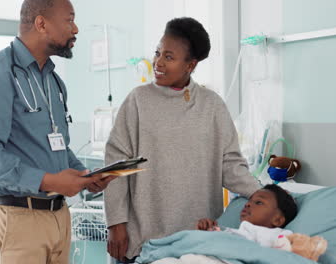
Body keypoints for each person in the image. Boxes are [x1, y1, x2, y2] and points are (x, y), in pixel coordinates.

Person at [0, 0, 116, 263]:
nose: (76, 29)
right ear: (41, 24)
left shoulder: (53, 81)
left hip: (58, 216)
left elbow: (57, 147)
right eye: (69, 20)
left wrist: (85, 175)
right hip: (16, 219)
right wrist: (49, 181)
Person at [104, 17, 262, 263]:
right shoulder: (138, 101)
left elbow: (230, 165)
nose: (157, 63)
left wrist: (264, 194)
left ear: (191, 64)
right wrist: (115, 222)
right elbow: (116, 165)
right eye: (157, 53)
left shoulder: (212, 106)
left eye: (169, 57)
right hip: (143, 238)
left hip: (197, 240)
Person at [197, 184, 298, 248]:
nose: (247, 204)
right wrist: (208, 229)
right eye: (250, 200)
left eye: (258, 202)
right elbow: (219, 241)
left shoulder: (278, 235)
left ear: (277, 220)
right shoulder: (236, 231)